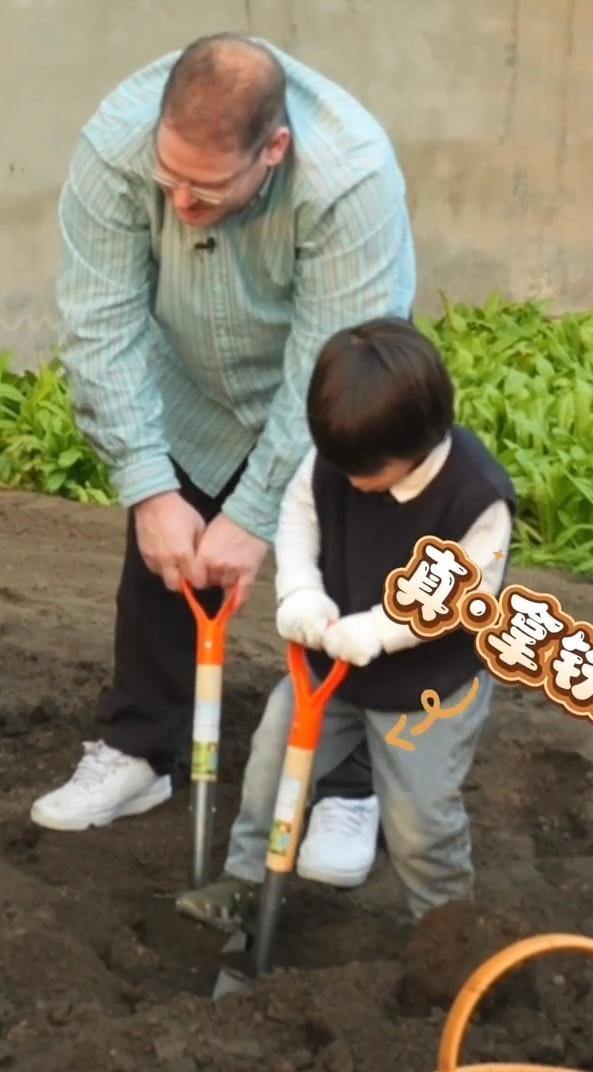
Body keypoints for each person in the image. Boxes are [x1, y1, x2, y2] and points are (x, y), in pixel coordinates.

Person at [30, 32, 416, 887]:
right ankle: (139, 747)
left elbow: (336, 361)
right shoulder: (115, 148)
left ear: (272, 151)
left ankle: (348, 784)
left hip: (338, 393)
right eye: (170, 180)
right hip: (192, 380)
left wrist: (256, 514)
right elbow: (99, 322)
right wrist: (149, 487)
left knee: (356, 578)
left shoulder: (348, 177)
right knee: (165, 554)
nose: (182, 201)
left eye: (207, 188)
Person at [175, 317, 516, 928]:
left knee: (420, 822)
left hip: (428, 688)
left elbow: (462, 590)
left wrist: (378, 631)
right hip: (328, 665)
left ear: (422, 443)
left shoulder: (476, 497)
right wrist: (301, 592)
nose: (352, 484)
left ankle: (447, 929)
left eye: (368, 475)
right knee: (270, 766)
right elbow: (299, 517)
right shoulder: (340, 456)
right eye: (340, 465)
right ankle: (246, 880)